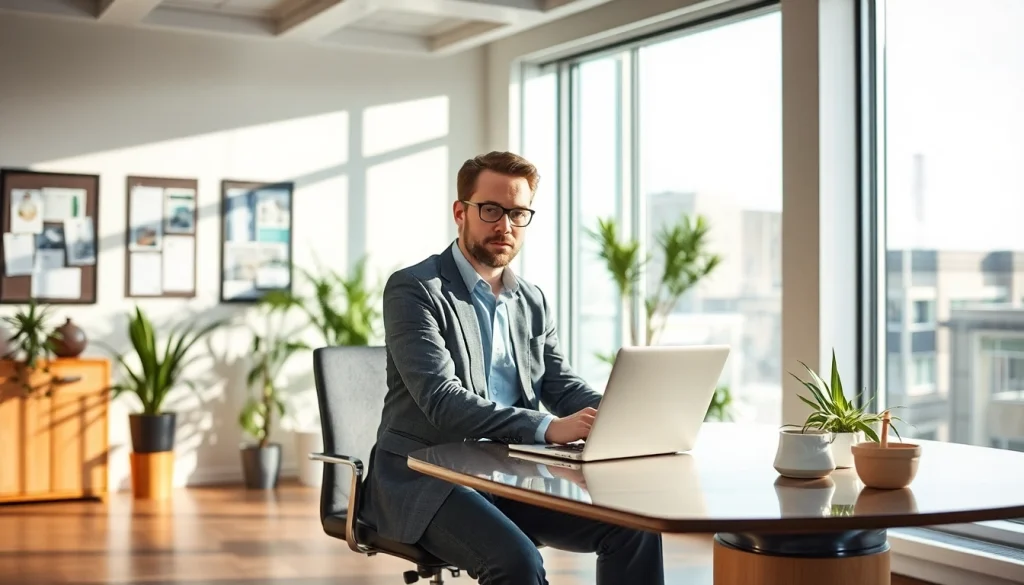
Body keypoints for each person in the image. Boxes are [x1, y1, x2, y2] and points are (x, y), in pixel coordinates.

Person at [360, 151, 665, 585]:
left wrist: (619, 415)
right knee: (516, 562)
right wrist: (548, 427)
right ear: (460, 212)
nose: (505, 226)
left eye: (518, 213)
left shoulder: (531, 299)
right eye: (491, 210)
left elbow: (559, 384)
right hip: (425, 478)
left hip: (508, 476)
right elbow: (442, 401)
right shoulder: (415, 288)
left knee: (634, 528)